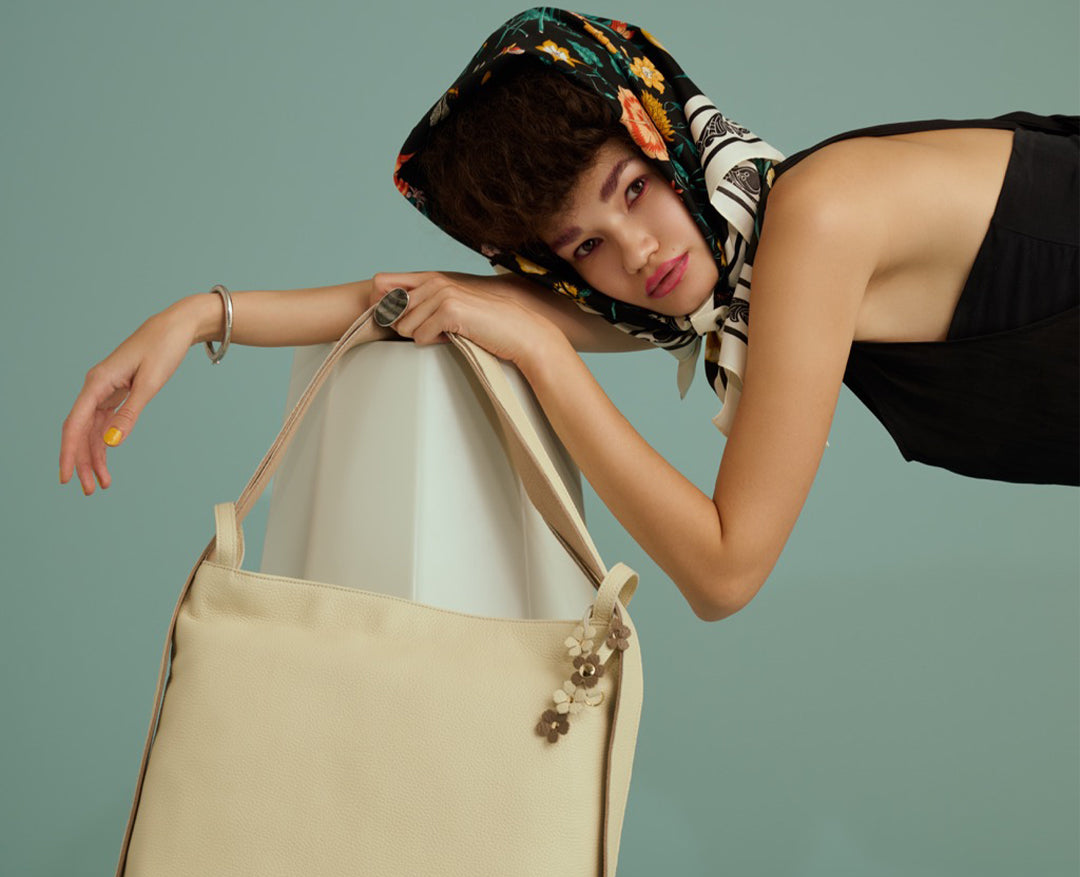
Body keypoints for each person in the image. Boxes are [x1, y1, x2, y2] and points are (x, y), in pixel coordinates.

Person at [58, 8, 1079, 627]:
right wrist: (200, 316)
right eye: (583, 245)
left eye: (633, 189)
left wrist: (547, 357)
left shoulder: (819, 221)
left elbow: (724, 572)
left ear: (664, 136)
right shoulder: (728, 275)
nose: (634, 254)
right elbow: (433, 298)